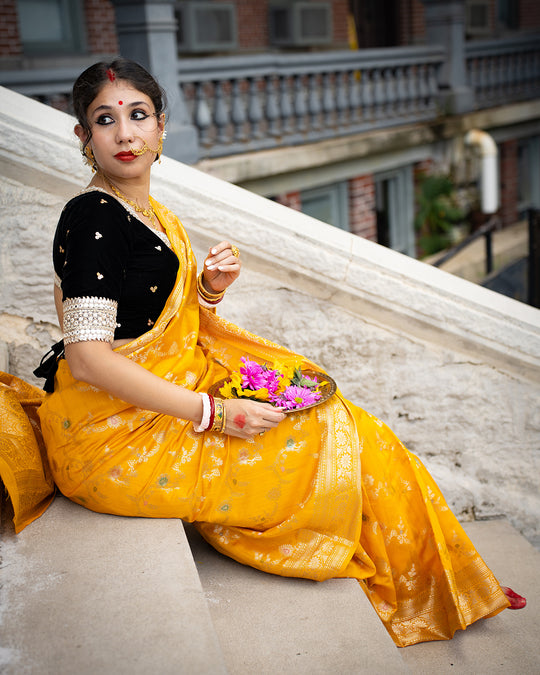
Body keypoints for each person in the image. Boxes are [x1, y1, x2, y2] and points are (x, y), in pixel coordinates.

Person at [35, 59, 525, 648]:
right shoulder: (92, 216)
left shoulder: (145, 211)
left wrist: (208, 291)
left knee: (351, 424)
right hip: (115, 436)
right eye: (105, 120)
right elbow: (88, 358)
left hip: (164, 398)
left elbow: (149, 320)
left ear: (161, 126)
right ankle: (422, 584)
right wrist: (216, 414)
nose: (125, 133)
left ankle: (440, 579)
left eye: (138, 115)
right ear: (83, 138)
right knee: (326, 440)